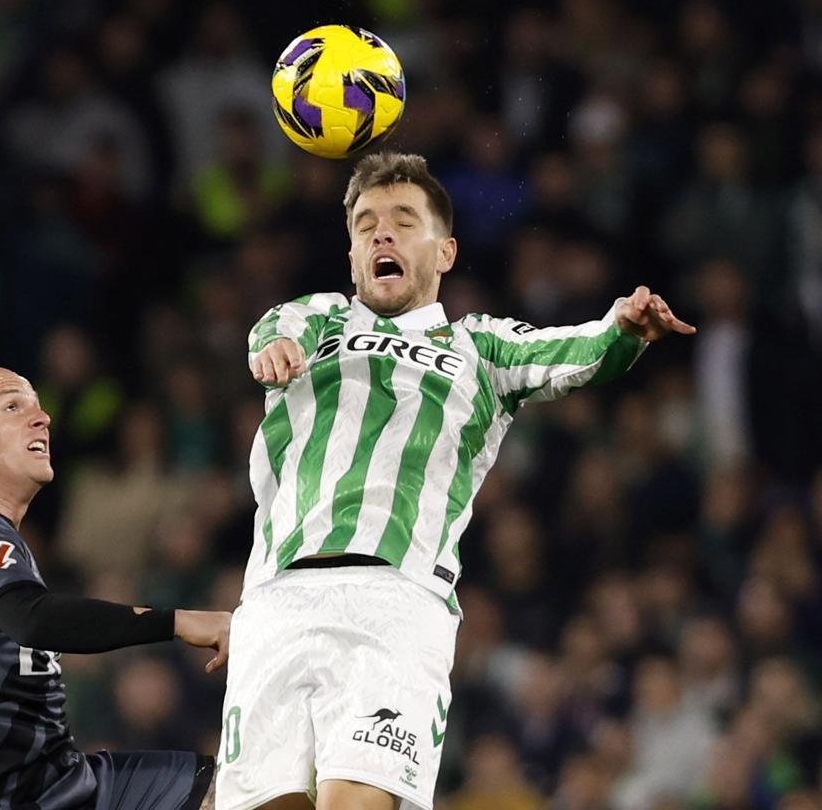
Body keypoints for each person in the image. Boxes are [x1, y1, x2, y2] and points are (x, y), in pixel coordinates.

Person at [216, 151, 696, 810]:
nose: (380, 233)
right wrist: (271, 352)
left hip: (397, 602)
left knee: (354, 802)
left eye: (403, 220)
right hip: (277, 601)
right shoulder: (315, 320)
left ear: (444, 252)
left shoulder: (481, 347)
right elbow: (271, 331)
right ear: (353, 254)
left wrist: (621, 330)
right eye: (365, 225)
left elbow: (571, 352)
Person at [0, 366, 230, 809]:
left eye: (37, 404)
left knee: (240, 789)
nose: (42, 417)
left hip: (60, 784)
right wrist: (181, 621)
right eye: (13, 406)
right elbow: (34, 619)